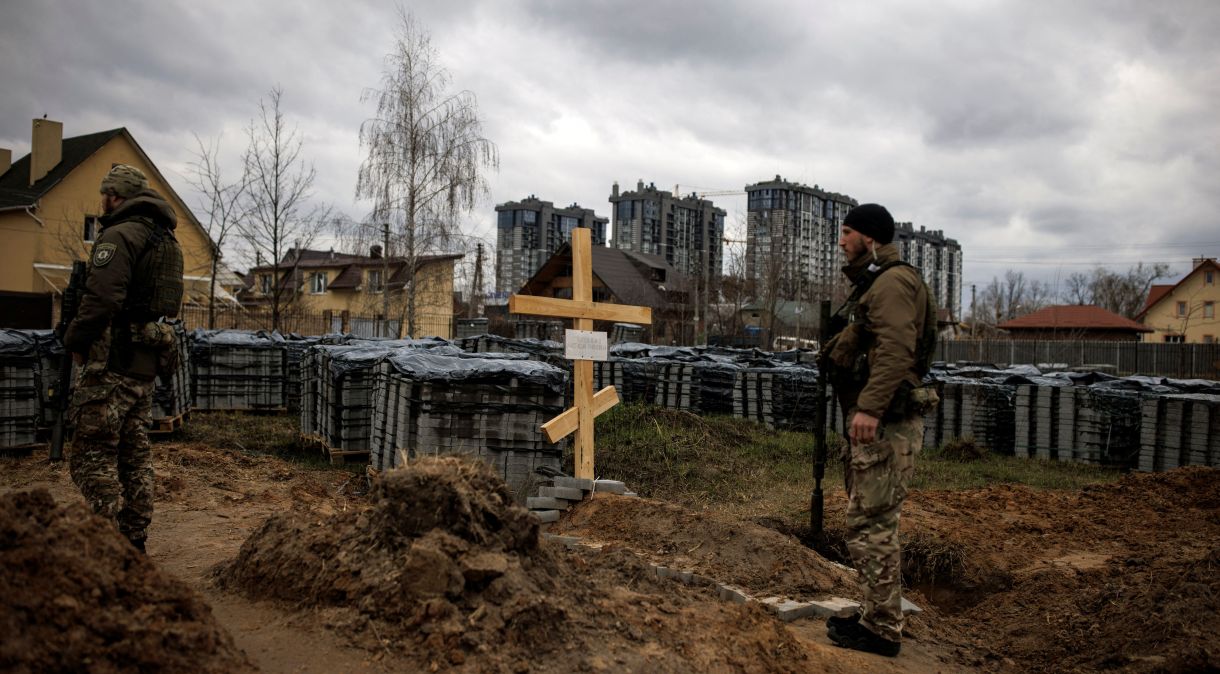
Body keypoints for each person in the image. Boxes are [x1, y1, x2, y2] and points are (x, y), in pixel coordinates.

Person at [820, 203, 938, 657]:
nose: (840, 240)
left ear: (869, 238)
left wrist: (868, 408)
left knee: (871, 523)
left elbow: (895, 350)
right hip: (881, 422)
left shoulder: (892, 282)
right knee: (869, 520)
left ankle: (883, 630)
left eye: (846, 232)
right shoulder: (881, 281)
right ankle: (876, 616)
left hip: (886, 423)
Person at [63, 164, 184, 554]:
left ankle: (109, 539)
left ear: (115, 196)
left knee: (91, 457)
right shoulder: (164, 239)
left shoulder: (118, 235)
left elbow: (102, 299)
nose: (102, 200)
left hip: (111, 363)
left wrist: (75, 338)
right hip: (143, 365)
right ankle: (134, 539)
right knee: (134, 455)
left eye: (105, 194)